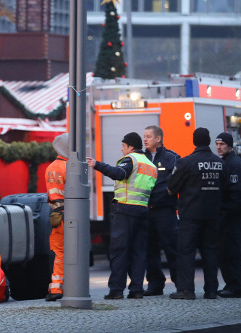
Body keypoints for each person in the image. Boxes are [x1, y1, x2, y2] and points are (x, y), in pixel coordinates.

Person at [86, 132, 157, 300]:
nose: (121, 149)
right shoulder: (150, 164)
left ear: (131, 147)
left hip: (125, 210)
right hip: (142, 210)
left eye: (123, 146)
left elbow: (119, 173)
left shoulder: (131, 159)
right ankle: (137, 290)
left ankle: (116, 290)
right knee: (138, 252)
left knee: (119, 251)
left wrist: (97, 165)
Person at [167, 128, 226, 300]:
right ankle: (211, 290)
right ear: (209, 141)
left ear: (194, 141)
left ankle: (186, 290)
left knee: (186, 251)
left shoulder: (186, 162)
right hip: (213, 214)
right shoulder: (220, 163)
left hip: (191, 215)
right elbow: (226, 188)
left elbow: (171, 189)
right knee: (210, 252)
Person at [142, 125, 180, 296]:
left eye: (148, 136)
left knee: (172, 248)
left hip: (165, 211)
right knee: (150, 249)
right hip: (147, 210)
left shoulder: (171, 158)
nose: (145, 139)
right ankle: (155, 285)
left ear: (158, 138)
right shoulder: (140, 159)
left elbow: (177, 180)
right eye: (144, 136)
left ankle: (181, 284)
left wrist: (164, 193)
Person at [215, 132, 241, 298]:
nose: (219, 147)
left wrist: (224, 209)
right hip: (228, 214)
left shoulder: (235, 164)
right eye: (217, 144)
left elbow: (237, 194)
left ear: (229, 145)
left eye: (222, 144)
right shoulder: (226, 162)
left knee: (233, 252)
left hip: (234, 215)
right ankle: (231, 285)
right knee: (225, 251)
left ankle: (237, 288)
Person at [44, 133, 69, 301]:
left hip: (56, 215)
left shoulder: (51, 167)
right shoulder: (70, 167)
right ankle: (70, 287)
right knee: (74, 253)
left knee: (59, 253)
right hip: (70, 215)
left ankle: (55, 288)